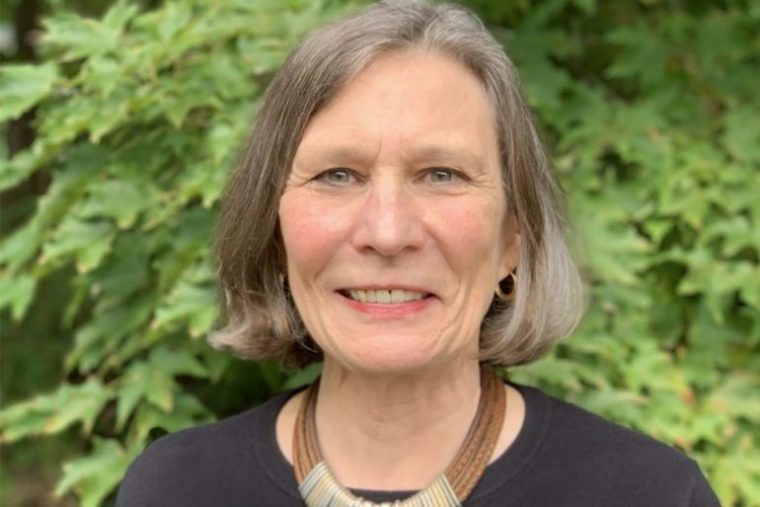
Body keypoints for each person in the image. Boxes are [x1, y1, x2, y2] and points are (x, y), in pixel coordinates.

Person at [117, 1, 720, 505]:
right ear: (274, 231)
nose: (386, 232)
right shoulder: (173, 489)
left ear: (513, 236)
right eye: (338, 175)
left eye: (440, 174)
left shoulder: (650, 495)